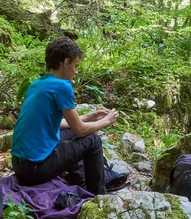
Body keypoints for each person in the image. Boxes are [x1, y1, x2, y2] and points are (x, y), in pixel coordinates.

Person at [11, 36, 119, 195]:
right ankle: (98, 196)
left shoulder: (37, 83)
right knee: (93, 140)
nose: (76, 71)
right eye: (75, 66)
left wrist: (90, 116)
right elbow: (81, 130)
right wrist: (107, 121)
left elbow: (58, 123)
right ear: (65, 62)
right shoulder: (62, 86)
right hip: (35, 170)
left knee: (68, 133)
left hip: (20, 165)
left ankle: (79, 179)